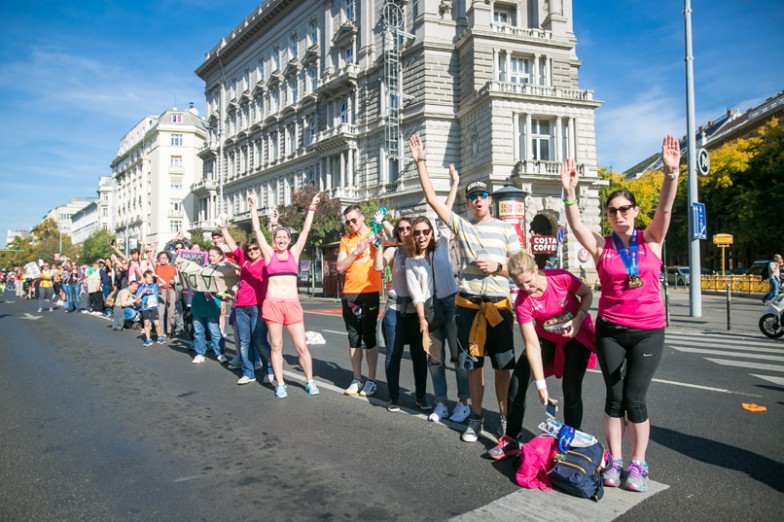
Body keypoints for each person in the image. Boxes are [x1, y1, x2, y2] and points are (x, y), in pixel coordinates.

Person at [560, 135, 681, 493]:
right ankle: (614, 461)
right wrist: (569, 193)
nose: (619, 215)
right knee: (614, 399)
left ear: (635, 211)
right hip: (610, 330)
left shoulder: (651, 239)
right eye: (613, 211)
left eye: (625, 209)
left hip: (648, 332)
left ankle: (638, 464)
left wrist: (671, 174)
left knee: (635, 399)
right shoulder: (603, 247)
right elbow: (577, 227)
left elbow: (665, 210)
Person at [409, 135, 521, 443]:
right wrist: (420, 163)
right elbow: (433, 200)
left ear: (490, 199)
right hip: (469, 306)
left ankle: (503, 418)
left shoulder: (506, 229)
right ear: (468, 202)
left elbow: (521, 269)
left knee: (502, 366)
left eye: (482, 195)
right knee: (473, 365)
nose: (478, 200)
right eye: (472, 197)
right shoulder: (462, 226)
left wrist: (497, 267)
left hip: (498, 306)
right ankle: (476, 417)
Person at [488, 250, 596, 460]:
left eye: (529, 282)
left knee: (571, 388)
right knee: (518, 381)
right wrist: (541, 385)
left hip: (576, 335)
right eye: (520, 285)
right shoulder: (523, 302)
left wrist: (578, 318)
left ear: (536, 269)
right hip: (547, 339)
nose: (527, 289)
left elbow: (587, 294)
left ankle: (572, 441)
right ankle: (511, 438)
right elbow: (532, 344)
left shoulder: (561, 278)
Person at [249, 193, 321, 398]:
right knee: (276, 345)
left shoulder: (294, 253)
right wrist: (254, 207)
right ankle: (280, 384)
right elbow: (257, 230)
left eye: (284, 237)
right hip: (272, 305)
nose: (281, 240)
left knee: (301, 346)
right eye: (278, 237)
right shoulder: (269, 254)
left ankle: (310, 381)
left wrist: (312, 207)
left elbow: (306, 230)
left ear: (289, 240)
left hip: (292, 305)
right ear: (274, 241)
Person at [218, 213, 273, 385]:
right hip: (241, 307)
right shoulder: (245, 263)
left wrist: (274, 224)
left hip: (258, 306)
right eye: (249, 250)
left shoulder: (265, 262)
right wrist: (223, 228)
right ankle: (248, 372)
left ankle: (269, 369)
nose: (252, 251)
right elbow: (232, 246)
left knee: (260, 341)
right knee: (244, 342)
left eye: (255, 249)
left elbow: (268, 245)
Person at [337, 205, 382, 397]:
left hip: (369, 292)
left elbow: (385, 246)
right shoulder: (346, 240)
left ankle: (371, 380)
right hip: (350, 294)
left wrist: (379, 229)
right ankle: (357, 379)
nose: (351, 224)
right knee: (353, 337)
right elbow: (340, 266)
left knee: (369, 337)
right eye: (348, 222)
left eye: (354, 220)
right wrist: (356, 251)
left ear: (362, 218)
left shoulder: (374, 233)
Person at [190, 246, 230, 364]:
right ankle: (199, 353)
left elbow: (224, 288)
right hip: (198, 303)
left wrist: (223, 300)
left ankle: (220, 353)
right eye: (210, 255)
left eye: (214, 255)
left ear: (220, 257)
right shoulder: (201, 268)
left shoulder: (223, 270)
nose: (211, 258)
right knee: (198, 331)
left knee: (214, 330)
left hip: (213, 304)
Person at [136, 270, 165, 346]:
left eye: (151, 278)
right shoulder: (142, 287)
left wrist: (157, 276)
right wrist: (142, 292)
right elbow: (137, 299)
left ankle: (159, 337)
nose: (150, 279)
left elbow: (164, 283)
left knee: (157, 323)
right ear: (145, 278)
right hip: (145, 307)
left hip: (154, 306)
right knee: (146, 323)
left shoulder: (155, 286)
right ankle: (148, 339)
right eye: (148, 278)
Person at [154, 251, 179, 337]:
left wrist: (174, 281)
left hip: (170, 290)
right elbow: (151, 259)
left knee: (171, 312)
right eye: (161, 258)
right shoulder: (157, 267)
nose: (163, 259)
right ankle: (160, 332)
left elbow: (176, 279)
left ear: (167, 258)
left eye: (164, 257)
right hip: (161, 290)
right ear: (158, 259)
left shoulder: (172, 268)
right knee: (160, 312)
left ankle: (170, 331)